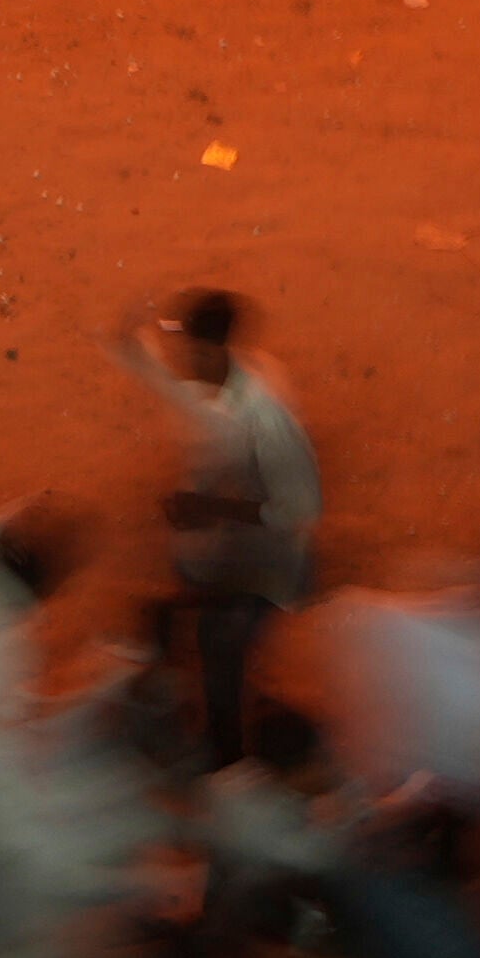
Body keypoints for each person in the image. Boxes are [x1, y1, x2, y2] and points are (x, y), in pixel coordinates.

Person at [123, 289, 316, 766]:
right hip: (215, 549)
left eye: (194, 347)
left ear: (215, 347)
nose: (187, 358)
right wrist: (134, 333)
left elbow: (295, 510)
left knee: (222, 655)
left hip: (262, 563)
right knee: (188, 618)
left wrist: (209, 508)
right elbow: (157, 373)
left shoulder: (263, 411)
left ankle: (227, 758)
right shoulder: (218, 383)